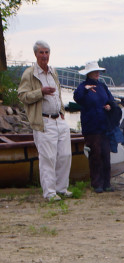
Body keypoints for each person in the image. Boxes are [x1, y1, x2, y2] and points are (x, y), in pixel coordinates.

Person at [17, 40, 73, 202]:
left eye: (46, 52)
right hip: (44, 121)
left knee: (65, 154)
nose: (44, 56)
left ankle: (61, 188)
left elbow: (58, 94)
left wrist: (62, 111)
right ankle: (49, 193)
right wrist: (40, 92)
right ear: (35, 54)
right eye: (41, 52)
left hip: (59, 120)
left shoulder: (53, 72)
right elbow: (22, 96)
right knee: (48, 157)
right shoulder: (29, 73)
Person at [73, 60, 114, 193]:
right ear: (89, 73)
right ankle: (97, 184)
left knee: (106, 155)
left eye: (98, 72)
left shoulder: (102, 86)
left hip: (104, 126)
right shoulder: (82, 86)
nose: (97, 74)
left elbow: (110, 100)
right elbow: (77, 98)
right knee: (95, 155)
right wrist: (85, 90)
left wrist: (109, 106)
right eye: (95, 72)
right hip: (91, 127)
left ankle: (107, 183)